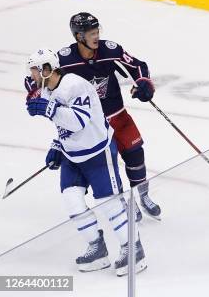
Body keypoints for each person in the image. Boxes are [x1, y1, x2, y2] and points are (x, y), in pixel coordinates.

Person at [25, 12, 161, 221]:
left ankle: (142, 194)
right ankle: (126, 201)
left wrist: (143, 82)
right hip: (91, 124)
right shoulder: (64, 58)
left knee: (135, 154)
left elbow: (137, 65)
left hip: (118, 115)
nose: (96, 37)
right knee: (109, 166)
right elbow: (33, 79)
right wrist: (36, 93)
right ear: (79, 37)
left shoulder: (110, 49)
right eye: (91, 33)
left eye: (97, 31)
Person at [25, 48, 146, 276]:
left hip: (98, 153)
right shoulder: (47, 89)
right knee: (72, 200)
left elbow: (79, 120)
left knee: (109, 202)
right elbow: (62, 125)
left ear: (47, 70)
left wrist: (50, 110)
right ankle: (97, 248)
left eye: (34, 70)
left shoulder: (74, 85)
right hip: (73, 155)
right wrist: (57, 145)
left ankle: (134, 249)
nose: (31, 75)